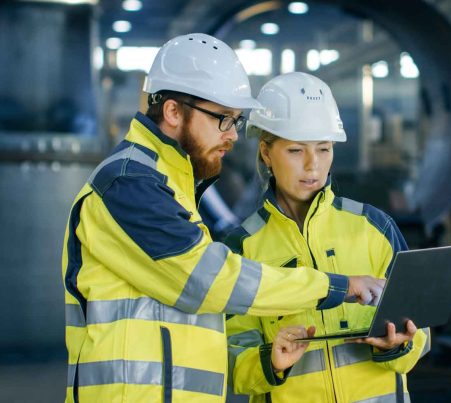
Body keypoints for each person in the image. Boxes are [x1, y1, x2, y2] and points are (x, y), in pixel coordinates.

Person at [61, 34, 385, 403]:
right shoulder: (129, 183)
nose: (232, 135)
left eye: (235, 120)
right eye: (223, 119)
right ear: (172, 112)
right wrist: (333, 286)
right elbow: (210, 281)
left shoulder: (170, 184)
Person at [225, 72, 431, 403]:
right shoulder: (242, 248)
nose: (313, 166)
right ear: (266, 152)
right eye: (295, 150)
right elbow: (232, 358)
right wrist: (270, 363)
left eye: (323, 149)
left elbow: (421, 329)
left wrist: (401, 343)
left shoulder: (374, 227)